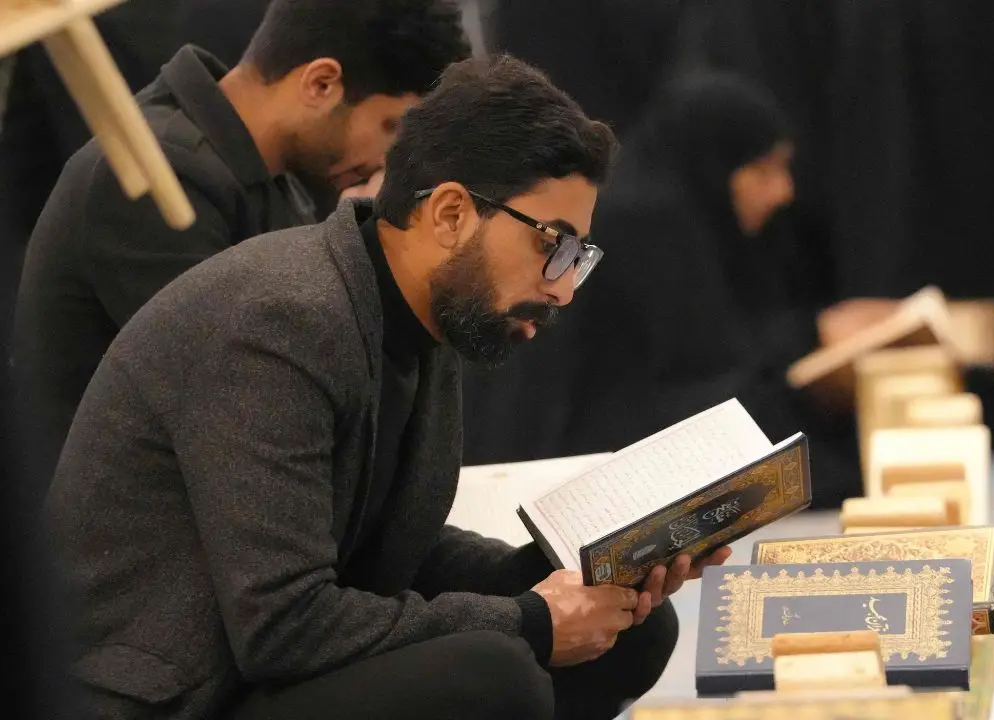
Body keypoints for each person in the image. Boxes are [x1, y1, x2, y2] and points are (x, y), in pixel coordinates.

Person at [45, 55, 723, 720]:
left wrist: (584, 576)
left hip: (257, 663)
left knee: (634, 632)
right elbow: (285, 624)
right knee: (494, 675)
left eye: (580, 257)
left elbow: (394, 550)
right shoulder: (282, 318)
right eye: (555, 244)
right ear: (452, 214)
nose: (564, 287)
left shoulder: (417, 312)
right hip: (174, 692)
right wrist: (531, 619)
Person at [9, 0, 471, 496]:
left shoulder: (277, 177)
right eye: (390, 129)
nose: (385, 163)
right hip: (107, 536)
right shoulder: (157, 178)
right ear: (320, 83)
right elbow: (243, 403)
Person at [463, 71, 859, 505]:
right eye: (764, 169)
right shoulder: (645, 228)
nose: (783, 191)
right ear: (715, 165)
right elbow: (669, 401)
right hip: (583, 475)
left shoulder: (678, 216)